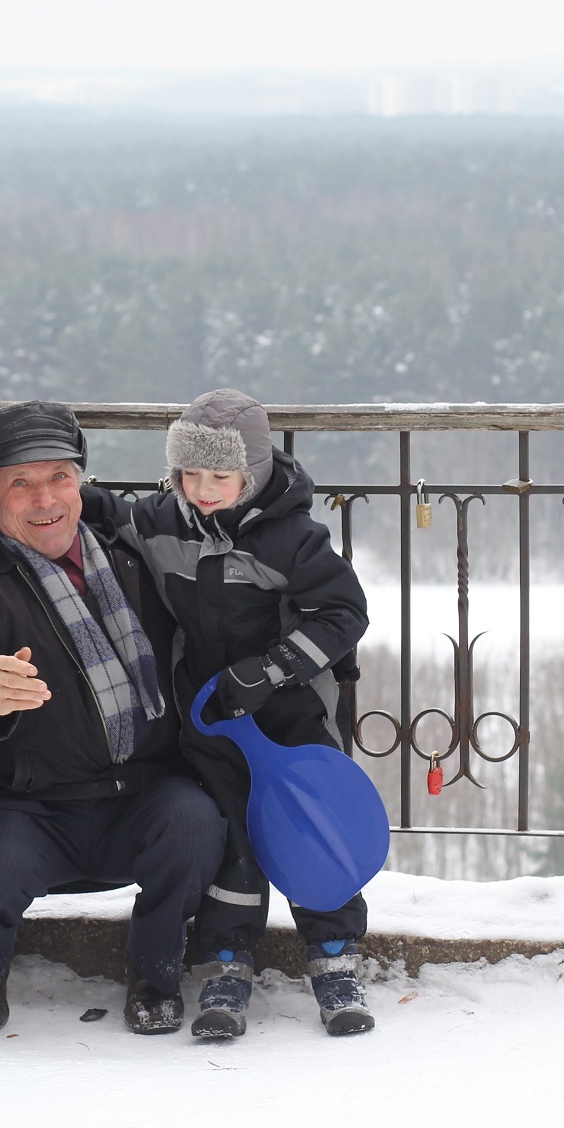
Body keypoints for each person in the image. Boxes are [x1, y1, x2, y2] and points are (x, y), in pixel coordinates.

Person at [0, 402, 225, 1035]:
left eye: (59, 477)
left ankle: (156, 974)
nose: (44, 498)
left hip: (142, 795)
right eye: (20, 483)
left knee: (197, 825)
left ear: (83, 481)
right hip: (28, 804)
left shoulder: (139, 556)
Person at [119, 388, 374, 1037]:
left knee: (308, 826)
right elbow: (112, 517)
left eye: (219, 475)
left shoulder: (290, 538)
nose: (202, 489)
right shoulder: (161, 522)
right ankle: (227, 961)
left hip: (294, 718)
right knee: (233, 835)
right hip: (212, 719)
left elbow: (345, 613)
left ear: (252, 474)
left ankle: (335, 955)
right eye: (190, 473)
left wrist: (275, 668)